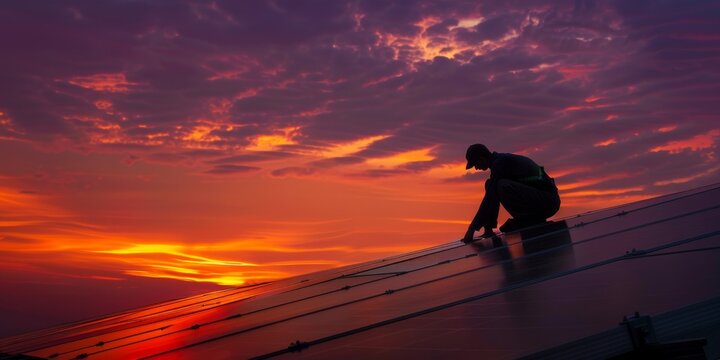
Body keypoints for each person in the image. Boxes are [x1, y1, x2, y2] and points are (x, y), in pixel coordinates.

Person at [462, 144, 560, 243]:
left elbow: (490, 197)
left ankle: (525, 220)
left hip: (549, 202)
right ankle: (524, 220)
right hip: (543, 200)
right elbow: (492, 195)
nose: (475, 168)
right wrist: (488, 229)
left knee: (501, 185)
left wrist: (472, 229)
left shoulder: (500, 163)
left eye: (475, 164)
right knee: (491, 184)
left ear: (481, 158)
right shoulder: (498, 163)